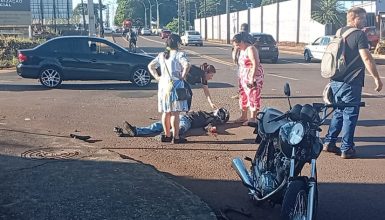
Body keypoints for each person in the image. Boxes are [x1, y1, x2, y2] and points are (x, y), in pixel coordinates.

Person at [323, 7, 383, 159]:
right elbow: (367, 58)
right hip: (351, 82)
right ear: (354, 18)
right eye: (362, 18)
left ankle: (329, 142)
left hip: (335, 80)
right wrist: (377, 77)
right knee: (350, 114)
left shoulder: (339, 32)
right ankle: (347, 148)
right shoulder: (359, 35)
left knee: (338, 112)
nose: (364, 21)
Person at [147, 34, 191, 144]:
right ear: (177, 43)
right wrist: (183, 75)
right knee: (175, 113)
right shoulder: (179, 54)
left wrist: (157, 77)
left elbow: (150, 66)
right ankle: (176, 137)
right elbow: (187, 65)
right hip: (175, 84)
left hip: (163, 85)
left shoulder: (161, 55)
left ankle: (167, 135)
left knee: (166, 111)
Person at [114, 108, 230, 138]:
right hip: (181, 116)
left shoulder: (211, 119)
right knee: (159, 125)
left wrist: (212, 129)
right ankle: (136, 131)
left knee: (180, 128)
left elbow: (208, 127)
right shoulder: (209, 114)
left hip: (186, 120)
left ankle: (166, 135)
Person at [232, 32, 264, 125]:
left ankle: (253, 118)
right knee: (243, 95)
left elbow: (255, 63)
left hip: (253, 76)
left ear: (242, 41)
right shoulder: (241, 50)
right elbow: (236, 61)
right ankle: (243, 116)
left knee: (253, 95)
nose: (237, 47)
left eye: (238, 44)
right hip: (243, 76)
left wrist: (252, 78)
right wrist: (235, 49)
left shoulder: (251, 49)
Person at [231, 23, 255, 99]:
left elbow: (235, 47)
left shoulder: (239, 35)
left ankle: (241, 92)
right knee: (250, 74)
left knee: (241, 76)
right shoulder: (250, 36)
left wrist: (234, 58)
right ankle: (251, 91)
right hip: (249, 58)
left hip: (241, 58)